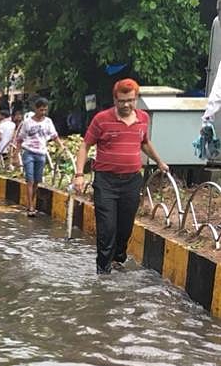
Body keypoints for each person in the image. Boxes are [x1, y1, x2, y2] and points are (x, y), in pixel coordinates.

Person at [74, 78, 168, 274]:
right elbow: (85, 145)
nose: (126, 105)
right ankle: (103, 271)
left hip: (131, 181)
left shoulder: (143, 118)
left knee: (125, 227)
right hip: (106, 182)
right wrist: (79, 174)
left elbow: (144, 142)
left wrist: (160, 162)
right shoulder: (101, 119)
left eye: (130, 100)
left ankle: (118, 260)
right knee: (107, 228)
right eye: (122, 101)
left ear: (136, 99)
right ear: (115, 100)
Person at [14, 97, 64, 217]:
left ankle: (31, 203)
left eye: (45, 110)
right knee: (30, 180)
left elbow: (54, 135)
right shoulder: (27, 123)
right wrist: (15, 155)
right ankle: (31, 206)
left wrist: (61, 146)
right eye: (41, 110)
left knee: (37, 181)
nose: (43, 112)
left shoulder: (48, 122)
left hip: (41, 153)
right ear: (36, 109)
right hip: (29, 152)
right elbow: (20, 139)